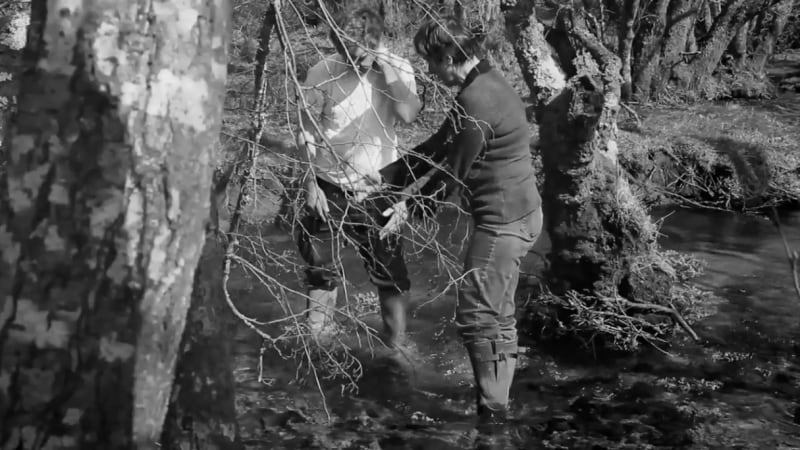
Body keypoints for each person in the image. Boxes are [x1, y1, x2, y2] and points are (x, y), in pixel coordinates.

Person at [381, 17, 543, 424]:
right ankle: (497, 399)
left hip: (503, 224)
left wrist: (407, 210)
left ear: (451, 56)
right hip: (520, 215)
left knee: (478, 319)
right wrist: (391, 175)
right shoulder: (481, 84)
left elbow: (452, 173)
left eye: (432, 62)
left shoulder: (478, 102)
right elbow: (440, 143)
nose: (430, 71)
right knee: (496, 317)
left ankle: (492, 415)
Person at [294, 3, 422, 350]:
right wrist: (309, 184)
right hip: (328, 186)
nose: (350, 58)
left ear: (375, 40)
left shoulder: (398, 68)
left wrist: (384, 70)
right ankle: (318, 347)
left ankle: (396, 349)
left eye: (357, 51)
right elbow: (306, 130)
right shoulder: (322, 72)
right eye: (341, 47)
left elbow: (409, 114)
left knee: (391, 279)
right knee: (321, 272)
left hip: (380, 187)